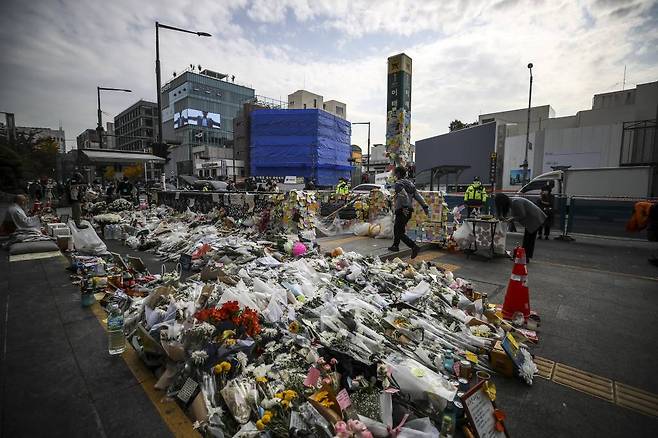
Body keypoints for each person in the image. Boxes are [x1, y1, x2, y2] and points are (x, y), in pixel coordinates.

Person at [388, 166, 430, 259]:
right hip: (407, 211)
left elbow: (404, 196)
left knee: (399, 232)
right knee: (398, 228)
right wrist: (425, 206)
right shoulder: (410, 184)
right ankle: (395, 246)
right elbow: (418, 196)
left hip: (403, 210)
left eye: (395, 173)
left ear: (398, 174)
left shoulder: (399, 184)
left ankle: (414, 246)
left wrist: (405, 207)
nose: (394, 175)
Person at [495, 193, 547, 260]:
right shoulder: (512, 202)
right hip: (532, 218)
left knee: (529, 240)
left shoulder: (515, 202)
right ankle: (524, 257)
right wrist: (508, 218)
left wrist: (511, 219)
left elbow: (522, 215)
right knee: (527, 239)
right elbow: (517, 214)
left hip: (534, 218)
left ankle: (524, 258)